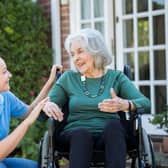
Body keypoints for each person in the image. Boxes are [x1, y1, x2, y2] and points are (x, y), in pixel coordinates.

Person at [42, 28, 151, 168]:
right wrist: (47, 105)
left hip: (110, 137)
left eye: (81, 51)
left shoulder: (116, 77)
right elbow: (43, 110)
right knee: (82, 134)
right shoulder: (68, 78)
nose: (76, 58)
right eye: (72, 54)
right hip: (74, 137)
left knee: (114, 126)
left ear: (96, 50)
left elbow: (146, 103)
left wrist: (125, 104)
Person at [0, 57, 62, 168]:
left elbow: (29, 111)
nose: (10, 75)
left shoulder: (5, 97)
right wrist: (28, 122)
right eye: (4, 72)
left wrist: (50, 82)